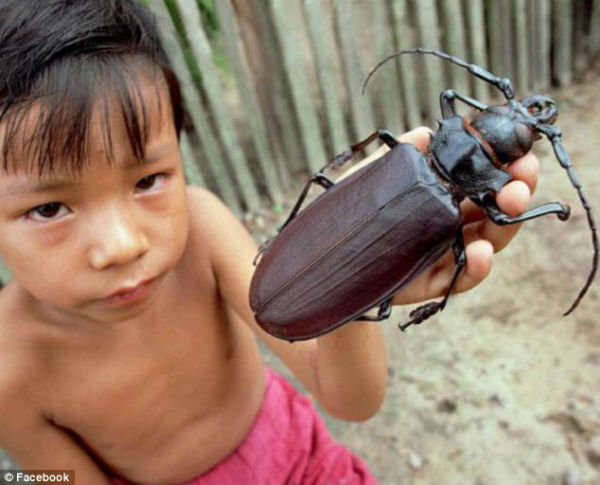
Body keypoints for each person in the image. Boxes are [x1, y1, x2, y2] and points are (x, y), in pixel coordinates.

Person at [0, 1, 540, 484]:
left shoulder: (202, 229)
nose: (121, 245)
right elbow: (49, 479)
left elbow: (352, 401)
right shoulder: (8, 369)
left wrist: (359, 272)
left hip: (301, 458)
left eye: (147, 181)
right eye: (48, 208)